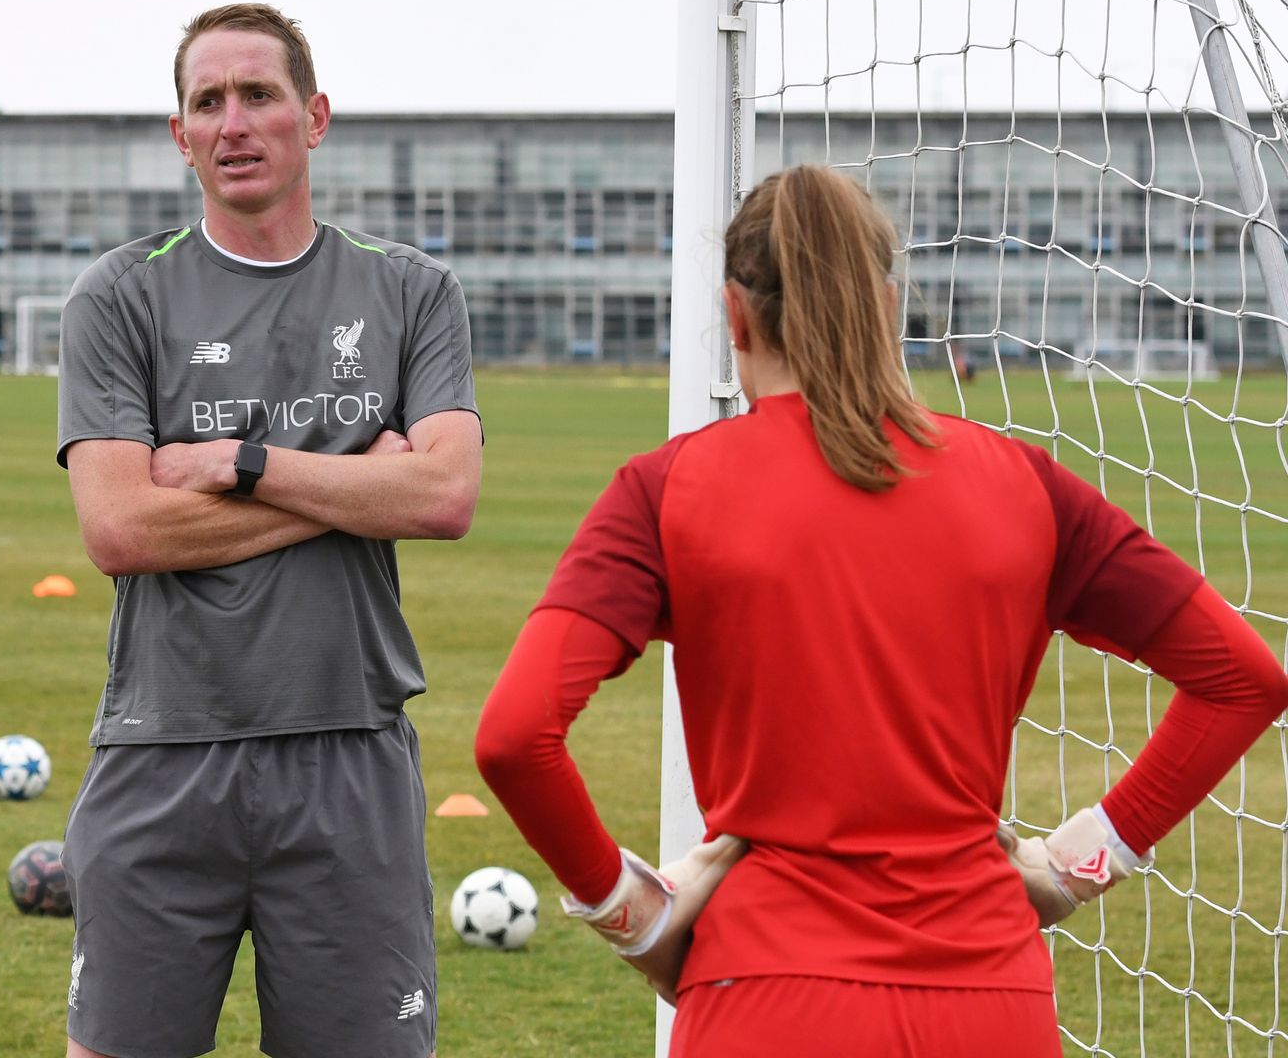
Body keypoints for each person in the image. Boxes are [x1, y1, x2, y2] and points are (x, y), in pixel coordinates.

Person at [473, 164, 1288, 1056]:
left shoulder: (665, 489)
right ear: (889, 305)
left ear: (735, 317)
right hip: (991, 1002)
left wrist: (633, 915)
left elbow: (515, 735)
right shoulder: (1026, 485)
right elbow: (1243, 680)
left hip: (766, 995)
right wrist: (1075, 864)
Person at [56, 2, 482, 1058]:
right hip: (162, 754)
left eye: (259, 95)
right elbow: (118, 529)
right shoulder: (117, 296)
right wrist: (345, 485)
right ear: (180, 135)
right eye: (208, 101)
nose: (233, 122)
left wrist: (244, 467)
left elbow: (441, 498)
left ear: (315, 116)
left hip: (346, 753)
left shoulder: (410, 289)